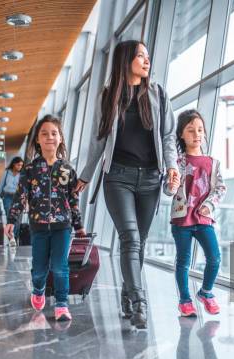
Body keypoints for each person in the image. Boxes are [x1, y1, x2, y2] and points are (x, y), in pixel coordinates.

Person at [75, 40, 180, 329]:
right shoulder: (108, 96)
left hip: (150, 179)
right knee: (130, 239)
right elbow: (98, 140)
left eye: (148, 56)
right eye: (140, 56)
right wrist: (85, 174)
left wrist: (172, 166)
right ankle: (139, 301)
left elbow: (168, 136)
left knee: (139, 242)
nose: (147, 61)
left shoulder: (158, 94)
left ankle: (126, 295)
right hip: (117, 177)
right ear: (126, 60)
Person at [5, 115, 86, 322]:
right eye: (44, 133)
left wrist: (78, 226)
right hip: (38, 226)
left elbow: (73, 199)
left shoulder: (68, 169)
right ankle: (38, 289)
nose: (49, 136)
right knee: (40, 269)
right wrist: (11, 221)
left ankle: (61, 304)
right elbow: (20, 196)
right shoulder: (30, 169)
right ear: (37, 141)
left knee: (60, 266)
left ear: (60, 139)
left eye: (54, 133)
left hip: (63, 226)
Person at [164, 110, 226, 317]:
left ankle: (206, 292)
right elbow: (168, 189)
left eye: (200, 129)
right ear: (181, 134)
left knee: (215, 258)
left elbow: (220, 189)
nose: (196, 134)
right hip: (181, 219)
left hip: (204, 219)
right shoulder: (177, 163)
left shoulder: (213, 163)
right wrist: (171, 186)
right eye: (190, 130)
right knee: (183, 261)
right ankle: (185, 301)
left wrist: (209, 205)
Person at [0, 156, 24, 245]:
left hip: (19, 197)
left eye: (21, 165)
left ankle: (14, 237)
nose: (20, 167)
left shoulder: (22, 174)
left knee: (17, 218)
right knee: (10, 217)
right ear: (13, 164)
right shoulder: (7, 172)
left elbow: (24, 187)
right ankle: (11, 238)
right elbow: (1, 185)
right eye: (18, 165)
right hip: (8, 196)